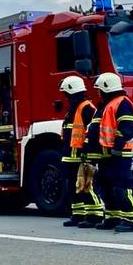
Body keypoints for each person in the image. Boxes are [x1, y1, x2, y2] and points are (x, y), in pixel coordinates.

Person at [85, 72, 133, 232]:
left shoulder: (122, 103)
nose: (98, 93)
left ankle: (131, 220)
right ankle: (112, 217)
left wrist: (117, 148)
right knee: (106, 186)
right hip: (105, 155)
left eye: (99, 90)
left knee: (121, 186)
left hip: (118, 155)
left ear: (106, 88)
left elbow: (127, 128)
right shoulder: (105, 105)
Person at [58, 76, 103, 228]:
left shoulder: (86, 107)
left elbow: (92, 131)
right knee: (72, 186)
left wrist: (87, 150)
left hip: (82, 154)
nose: (65, 96)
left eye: (66, 93)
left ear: (71, 91)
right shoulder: (74, 107)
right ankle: (78, 214)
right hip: (70, 155)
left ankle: (95, 215)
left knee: (86, 185)